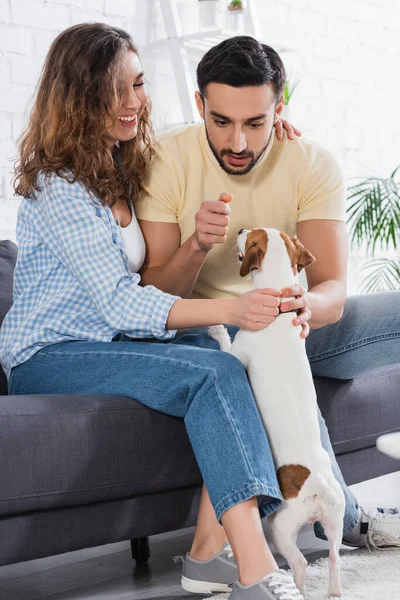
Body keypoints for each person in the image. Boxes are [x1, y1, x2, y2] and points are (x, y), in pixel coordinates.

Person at [0, 23, 323, 600]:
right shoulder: (58, 188)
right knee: (215, 367)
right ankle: (254, 570)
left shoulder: (127, 165)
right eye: (113, 90)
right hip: (51, 355)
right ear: (78, 99)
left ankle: (203, 556)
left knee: (226, 358)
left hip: (114, 342)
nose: (132, 103)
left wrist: (274, 130)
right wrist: (232, 309)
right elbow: (123, 301)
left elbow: (209, 136)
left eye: (139, 84)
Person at [134, 35, 400, 591]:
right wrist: (194, 248)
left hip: (295, 321)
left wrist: (309, 306)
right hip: (214, 329)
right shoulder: (165, 158)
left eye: (256, 122)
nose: (238, 140)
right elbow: (152, 294)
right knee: (263, 364)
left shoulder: (309, 161)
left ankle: (342, 516)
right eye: (221, 121)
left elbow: (331, 284)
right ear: (199, 103)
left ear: (280, 109)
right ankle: (349, 520)